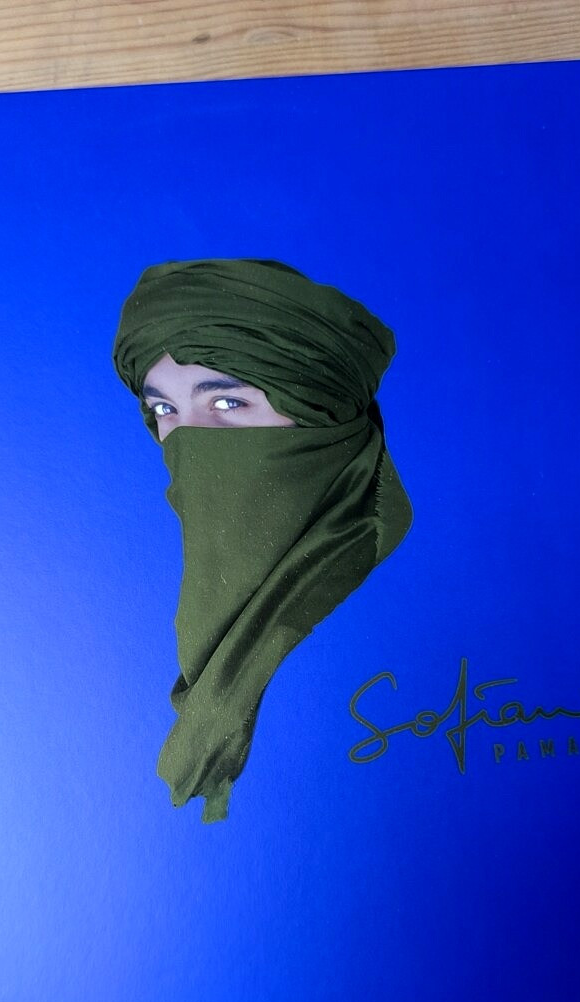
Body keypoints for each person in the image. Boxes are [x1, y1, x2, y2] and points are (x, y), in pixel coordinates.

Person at [112, 258, 412, 822]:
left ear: (318, 412)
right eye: (164, 409)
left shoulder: (401, 623)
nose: (189, 441)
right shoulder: (136, 598)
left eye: (228, 402)